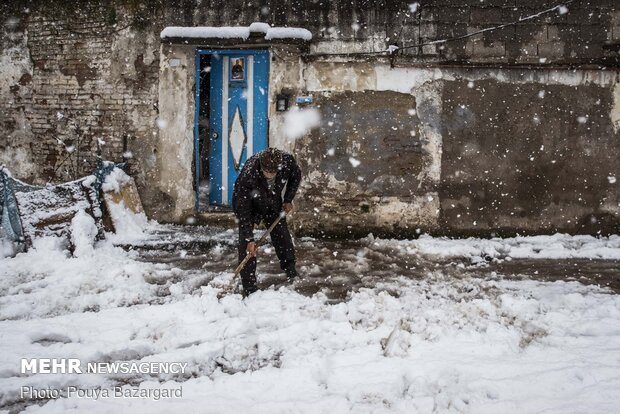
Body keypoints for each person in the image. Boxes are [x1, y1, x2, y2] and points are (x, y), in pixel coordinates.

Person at [232, 148, 302, 295]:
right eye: (267, 172)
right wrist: (250, 239)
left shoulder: (287, 162)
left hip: (272, 202)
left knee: (282, 235)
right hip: (250, 206)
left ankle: (290, 269)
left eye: (273, 172)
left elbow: (296, 175)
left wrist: (288, 198)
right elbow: (242, 210)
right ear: (261, 167)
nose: (270, 175)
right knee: (247, 246)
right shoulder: (248, 176)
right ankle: (249, 286)